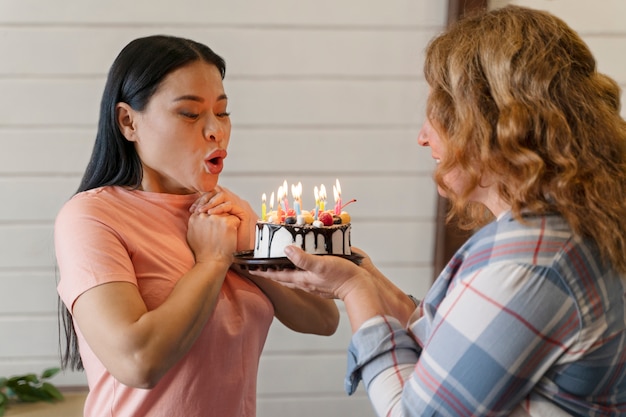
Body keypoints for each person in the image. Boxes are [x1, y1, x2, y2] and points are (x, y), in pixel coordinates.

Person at [251, 6, 626, 416]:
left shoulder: (532, 261)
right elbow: (466, 346)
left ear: (488, 121)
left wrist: (354, 291)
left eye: (438, 110)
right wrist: (371, 282)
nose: (422, 136)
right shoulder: (560, 229)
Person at [54, 35, 339, 417]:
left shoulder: (227, 214)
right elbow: (138, 362)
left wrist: (247, 252)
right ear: (128, 121)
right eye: (190, 114)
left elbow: (323, 319)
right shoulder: (91, 218)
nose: (215, 131)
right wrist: (211, 263)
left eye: (222, 112)